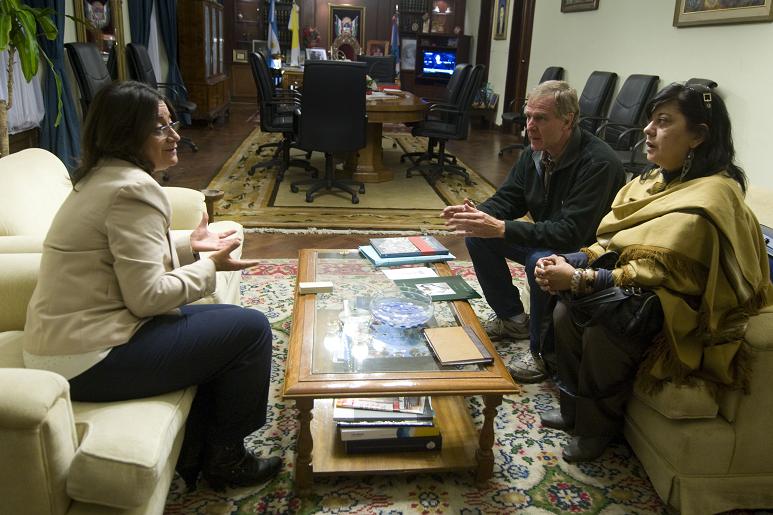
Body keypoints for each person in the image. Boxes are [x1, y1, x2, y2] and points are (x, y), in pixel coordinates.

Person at [23, 81, 281, 490]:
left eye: (172, 123)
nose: (175, 135)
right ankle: (227, 459)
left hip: (67, 344)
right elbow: (147, 298)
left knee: (229, 319)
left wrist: (189, 244)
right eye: (160, 128)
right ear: (125, 134)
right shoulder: (132, 189)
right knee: (251, 330)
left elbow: (118, 256)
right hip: (88, 359)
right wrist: (210, 267)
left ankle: (195, 451)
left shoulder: (102, 177)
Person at [534, 83, 773, 462]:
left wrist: (580, 278)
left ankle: (597, 430)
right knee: (565, 311)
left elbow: (662, 272)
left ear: (697, 136)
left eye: (663, 122)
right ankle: (573, 411)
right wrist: (571, 260)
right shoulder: (651, 180)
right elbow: (610, 242)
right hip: (634, 289)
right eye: (651, 120)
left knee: (606, 326)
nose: (648, 129)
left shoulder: (714, 194)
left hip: (680, 305)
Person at [442, 80, 625, 384]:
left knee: (538, 260)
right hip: (552, 236)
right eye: (528, 116)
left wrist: (501, 228)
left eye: (540, 118)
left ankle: (541, 352)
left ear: (568, 121)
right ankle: (514, 320)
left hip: (587, 250)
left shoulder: (598, 163)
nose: (529, 126)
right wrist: (479, 215)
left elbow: (571, 233)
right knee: (479, 236)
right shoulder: (534, 154)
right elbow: (510, 198)